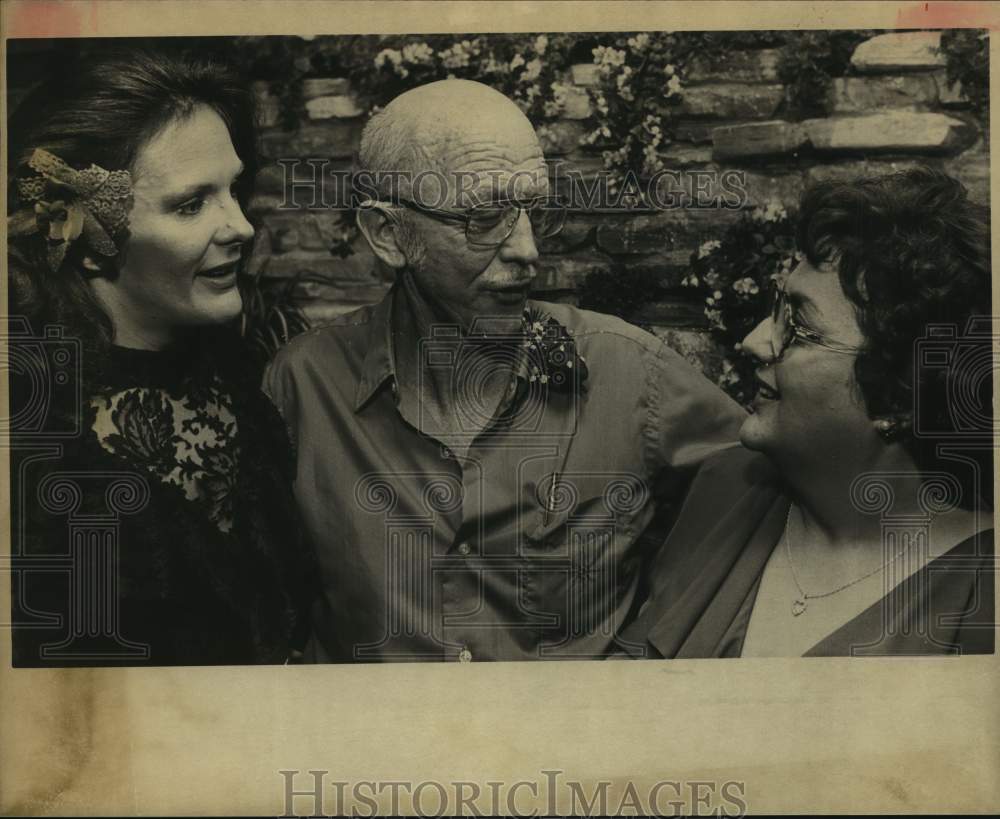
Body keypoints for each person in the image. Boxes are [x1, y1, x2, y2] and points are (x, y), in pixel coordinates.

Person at [263, 78, 746, 663]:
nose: (527, 249)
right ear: (389, 234)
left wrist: (657, 645)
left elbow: (764, 483)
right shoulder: (302, 387)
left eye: (534, 211)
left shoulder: (625, 370)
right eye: (484, 216)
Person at [8, 44, 316, 666]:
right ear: (82, 236)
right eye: (190, 204)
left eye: (234, 190)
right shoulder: (36, 445)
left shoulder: (237, 384)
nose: (241, 226)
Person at [620, 167, 994, 658]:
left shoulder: (979, 601)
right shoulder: (726, 485)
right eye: (776, 311)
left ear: (901, 396)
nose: (753, 342)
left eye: (799, 328)